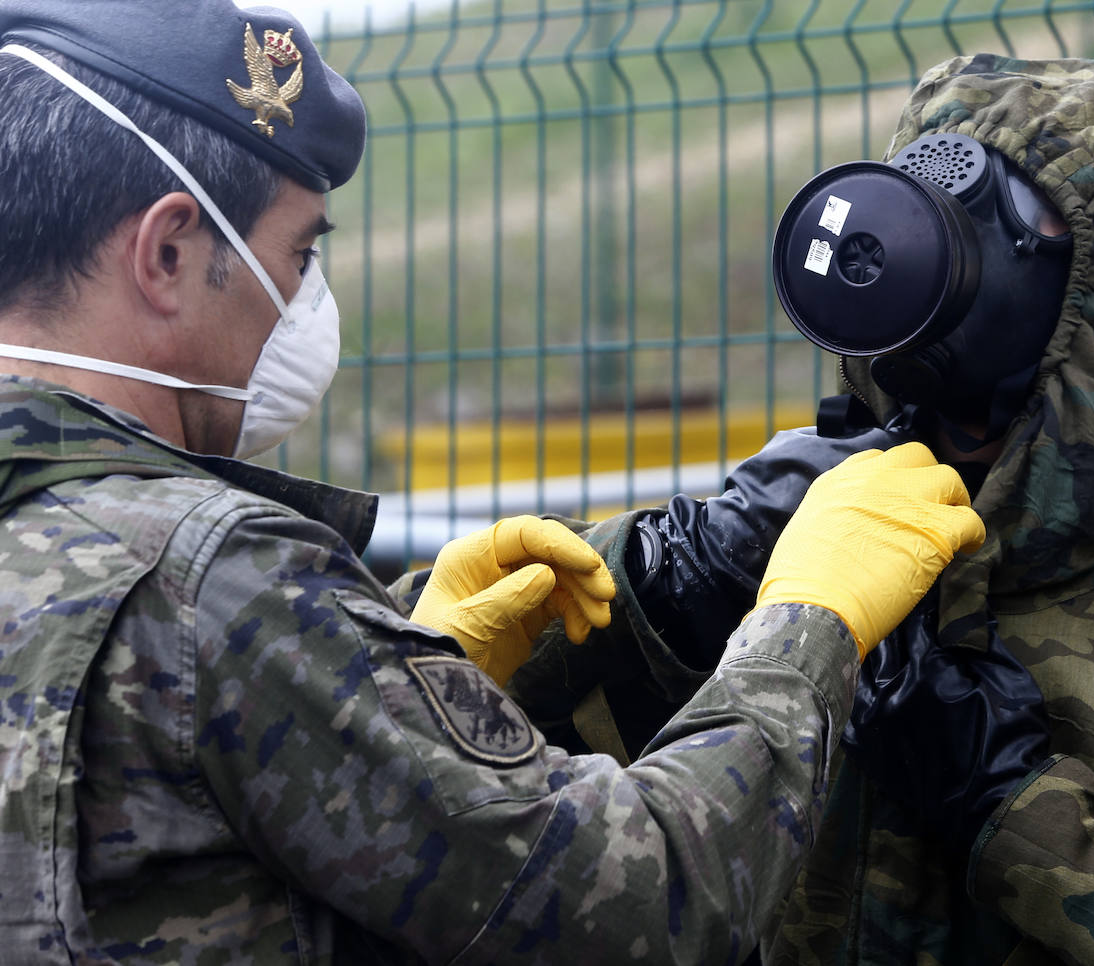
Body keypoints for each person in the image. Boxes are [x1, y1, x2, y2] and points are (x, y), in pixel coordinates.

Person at [0, 2, 990, 961]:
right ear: (168, 251)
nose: (308, 304)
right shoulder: (213, 582)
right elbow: (637, 907)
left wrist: (400, 659)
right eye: (299, 255)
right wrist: (810, 624)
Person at [509, 54, 1094, 962]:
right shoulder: (794, 549)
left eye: (991, 216)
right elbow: (406, 744)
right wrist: (668, 578)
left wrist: (1010, 800)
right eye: (924, 194)